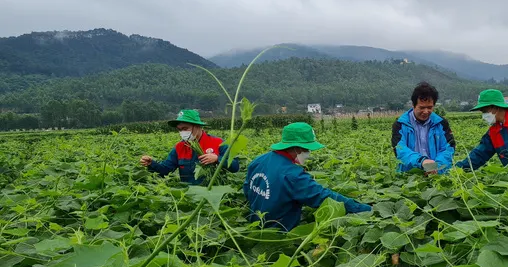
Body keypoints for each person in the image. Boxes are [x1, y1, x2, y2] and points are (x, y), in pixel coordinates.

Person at [243, 122, 371, 230]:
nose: (309, 153)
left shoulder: (258, 160)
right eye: (307, 149)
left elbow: (247, 189)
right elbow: (323, 196)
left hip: (255, 224)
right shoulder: (292, 175)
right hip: (280, 233)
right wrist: (363, 209)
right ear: (297, 148)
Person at [139, 109, 240, 184]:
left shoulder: (218, 143)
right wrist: (151, 163)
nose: (182, 132)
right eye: (179, 129)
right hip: (189, 196)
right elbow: (166, 170)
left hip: (214, 192)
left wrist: (217, 159)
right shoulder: (180, 147)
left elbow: (235, 166)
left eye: (185, 128)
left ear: (197, 126)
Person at [391, 82, 456, 174]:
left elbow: (447, 149)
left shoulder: (441, 123)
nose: (426, 111)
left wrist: (437, 167)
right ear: (413, 105)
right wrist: (422, 161)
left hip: (437, 176)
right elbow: (400, 150)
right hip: (408, 177)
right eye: (421, 108)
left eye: (429, 107)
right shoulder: (400, 124)